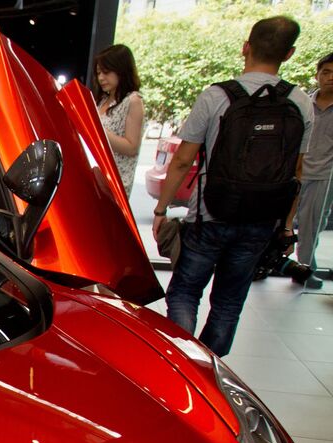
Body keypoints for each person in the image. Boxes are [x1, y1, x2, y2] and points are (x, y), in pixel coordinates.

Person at [153, 16, 314, 357]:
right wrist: (286, 225)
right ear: (289, 53)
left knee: (185, 291)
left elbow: (183, 160)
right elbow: (297, 171)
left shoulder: (216, 96)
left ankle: (183, 363)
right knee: (229, 299)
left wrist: (161, 209)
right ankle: (212, 367)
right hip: (261, 219)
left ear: (246, 47)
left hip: (210, 214)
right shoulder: (300, 103)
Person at [291, 52, 333, 290]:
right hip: (293, 173)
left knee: (311, 225)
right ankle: (264, 265)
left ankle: (305, 269)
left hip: (323, 176)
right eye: (325, 72)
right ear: (317, 75)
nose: (330, 78)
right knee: (275, 223)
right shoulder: (303, 103)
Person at [93, 44, 144, 199]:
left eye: (106, 72)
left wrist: (98, 130)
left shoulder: (133, 101)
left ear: (121, 69)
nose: (101, 78)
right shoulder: (102, 100)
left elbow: (131, 147)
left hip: (113, 183)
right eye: (99, 73)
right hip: (95, 176)